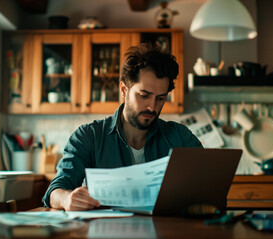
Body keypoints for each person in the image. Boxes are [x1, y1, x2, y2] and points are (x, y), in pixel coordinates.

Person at [43, 42, 203, 211]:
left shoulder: (180, 137)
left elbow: (208, 185)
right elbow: (55, 191)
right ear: (124, 90)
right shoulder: (89, 136)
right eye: (144, 95)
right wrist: (67, 198)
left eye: (160, 98)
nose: (152, 107)